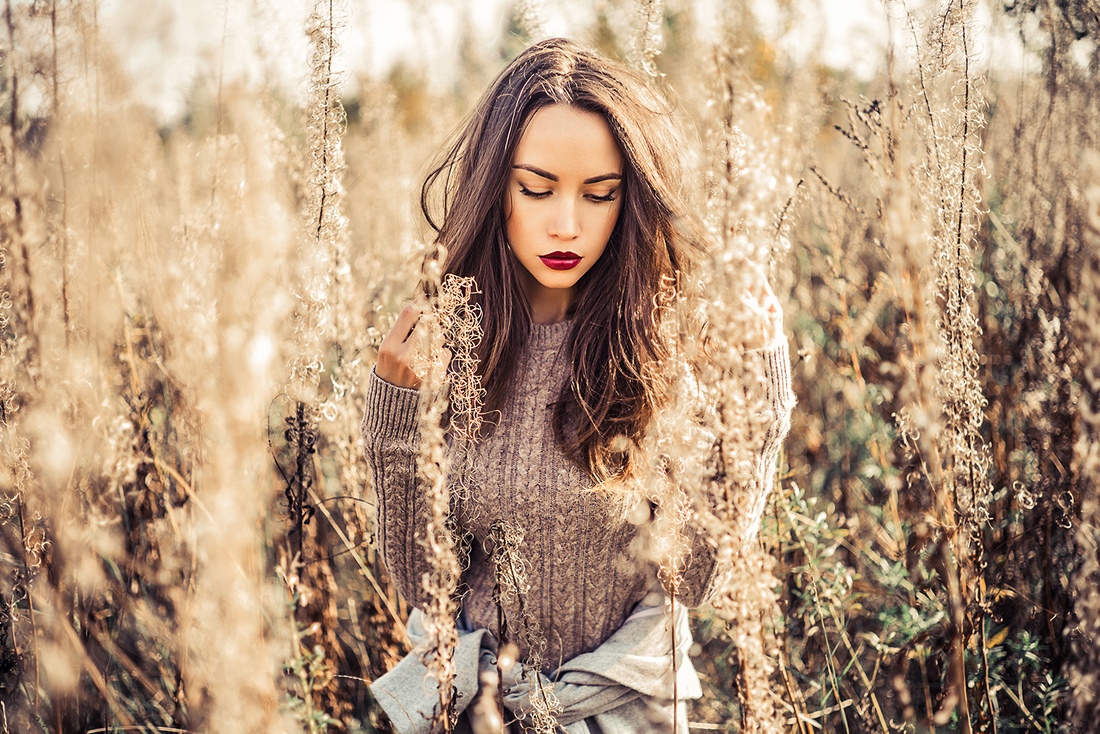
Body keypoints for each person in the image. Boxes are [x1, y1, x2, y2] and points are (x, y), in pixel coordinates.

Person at [361, 38, 795, 733]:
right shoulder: (451, 346)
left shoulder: (658, 348)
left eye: (599, 195)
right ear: (494, 186)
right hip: (483, 715)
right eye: (536, 188)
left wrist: (760, 400)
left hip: (628, 715)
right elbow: (424, 589)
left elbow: (699, 578)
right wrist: (396, 420)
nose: (567, 223)